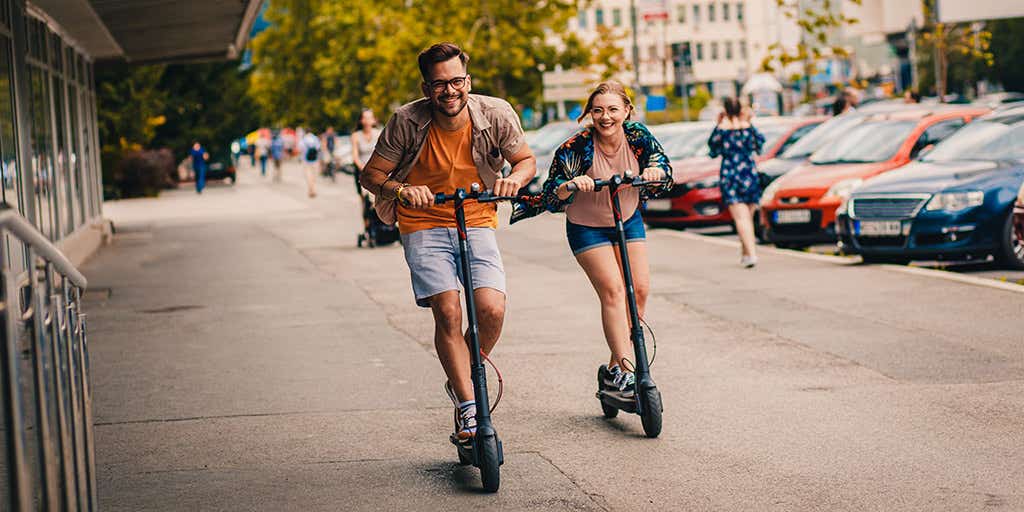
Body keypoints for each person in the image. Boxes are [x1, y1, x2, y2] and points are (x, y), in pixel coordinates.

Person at [357, 43, 536, 443]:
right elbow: (371, 176)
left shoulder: (496, 113)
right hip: (422, 221)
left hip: (477, 217)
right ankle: (469, 408)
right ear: (426, 88)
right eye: (439, 85)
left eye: (457, 81)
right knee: (448, 309)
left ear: (468, 80)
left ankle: (462, 377)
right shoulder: (406, 120)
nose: (450, 91)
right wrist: (401, 191)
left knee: (491, 307)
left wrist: (514, 179)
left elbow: (525, 161)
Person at [511, 80, 672, 398]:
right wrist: (572, 184)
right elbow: (552, 191)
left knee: (638, 291)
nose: (605, 117)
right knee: (613, 291)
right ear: (589, 114)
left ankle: (615, 367)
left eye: (613, 109)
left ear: (627, 111)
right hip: (587, 226)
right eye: (597, 110)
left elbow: (663, 168)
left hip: (627, 219)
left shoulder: (638, 136)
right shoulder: (577, 146)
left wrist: (655, 173)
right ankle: (627, 372)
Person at [708, 97, 765, 268]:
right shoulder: (749, 129)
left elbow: (713, 150)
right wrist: (748, 121)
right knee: (748, 216)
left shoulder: (722, 131)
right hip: (749, 174)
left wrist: (718, 123)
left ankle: (751, 254)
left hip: (730, 174)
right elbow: (760, 146)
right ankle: (747, 253)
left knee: (741, 219)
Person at [352, 108, 381, 194]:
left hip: (377, 171)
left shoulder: (379, 133)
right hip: (361, 170)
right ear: (361, 120)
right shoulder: (355, 135)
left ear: (374, 120)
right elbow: (355, 157)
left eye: (370, 118)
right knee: (364, 199)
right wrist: (364, 169)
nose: (367, 121)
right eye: (365, 118)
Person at [299, 128, 321, 198]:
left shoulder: (304, 139)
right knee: (314, 176)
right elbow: (318, 148)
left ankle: (310, 189)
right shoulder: (315, 138)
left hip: (306, 160)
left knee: (308, 176)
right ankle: (313, 189)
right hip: (315, 160)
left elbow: (300, 148)